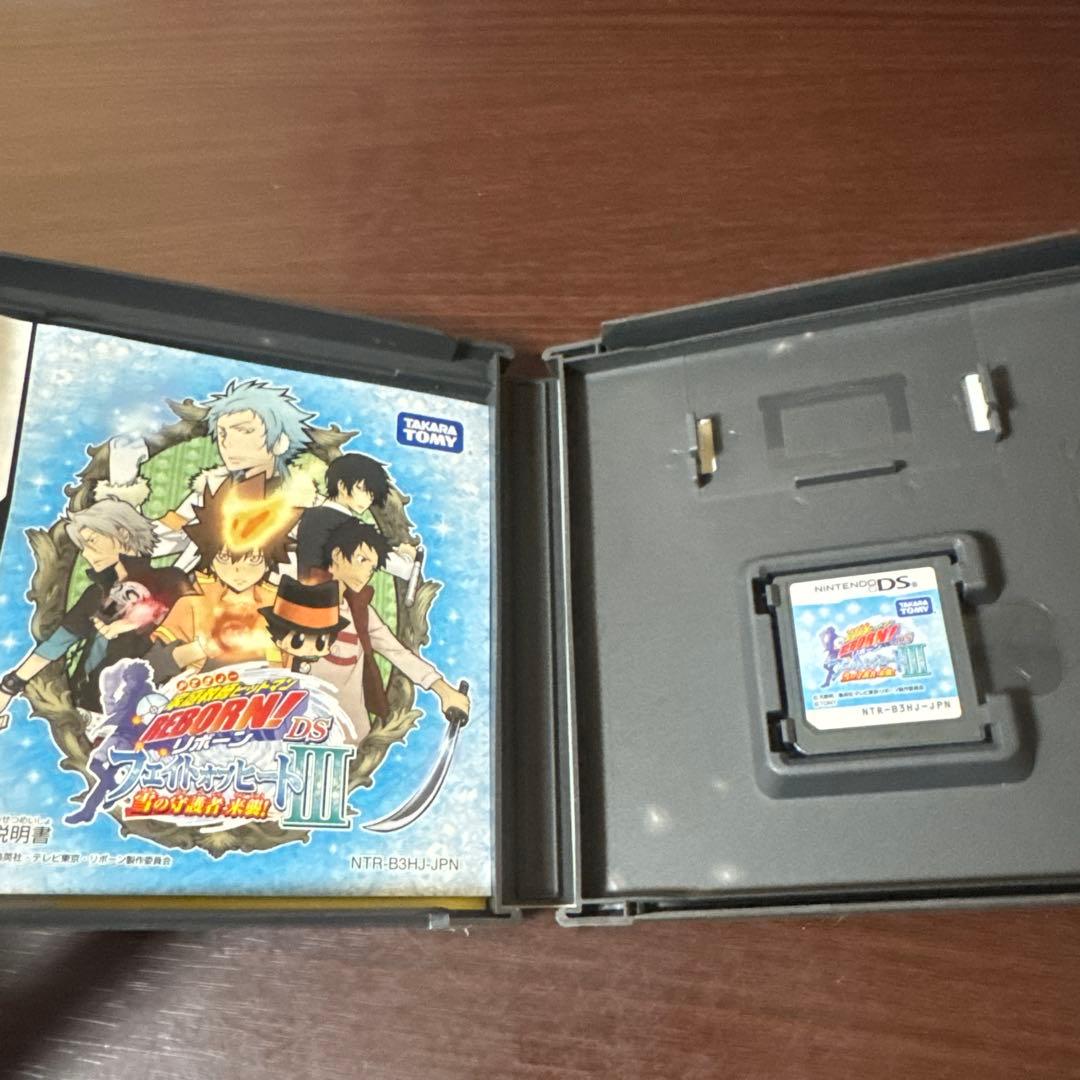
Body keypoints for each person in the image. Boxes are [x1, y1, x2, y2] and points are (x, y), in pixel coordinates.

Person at [99, 377, 318, 570]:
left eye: (245, 431)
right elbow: (153, 542)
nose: (228, 443)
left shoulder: (308, 505)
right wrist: (123, 479)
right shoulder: (210, 493)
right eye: (222, 433)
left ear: (279, 442)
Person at [0, 499, 191, 717]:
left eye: (92, 541)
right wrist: (8, 688)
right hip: (89, 706)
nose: (86, 554)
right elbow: (54, 646)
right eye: (83, 546)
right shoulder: (95, 594)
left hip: (152, 705)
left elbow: (191, 629)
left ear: (123, 534)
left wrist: (133, 623)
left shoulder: (172, 580)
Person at [310, 517, 468, 744]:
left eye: (373, 567)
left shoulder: (360, 612)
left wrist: (444, 691)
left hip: (351, 734)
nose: (367, 572)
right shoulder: (300, 601)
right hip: (303, 726)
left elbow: (397, 652)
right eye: (362, 559)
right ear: (336, 555)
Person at [145, 477, 294, 681]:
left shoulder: (280, 607)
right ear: (211, 560)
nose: (238, 570)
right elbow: (151, 668)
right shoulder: (193, 605)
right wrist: (197, 650)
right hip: (201, 696)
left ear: (268, 562)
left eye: (253, 560)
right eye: (224, 559)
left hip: (267, 696)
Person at [295, 452, 417, 583]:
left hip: (300, 590)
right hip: (330, 593)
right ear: (342, 486)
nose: (367, 499)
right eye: (362, 489)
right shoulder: (352, 528)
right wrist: (407, 555)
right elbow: (404, 570)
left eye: (372, 495)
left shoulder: (308, 515)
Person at [259, 575, 348, 674]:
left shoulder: (325, 664)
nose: (310, 649)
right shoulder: (272, 652)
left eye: (321, 643)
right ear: (280, 641)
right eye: (298, 640)